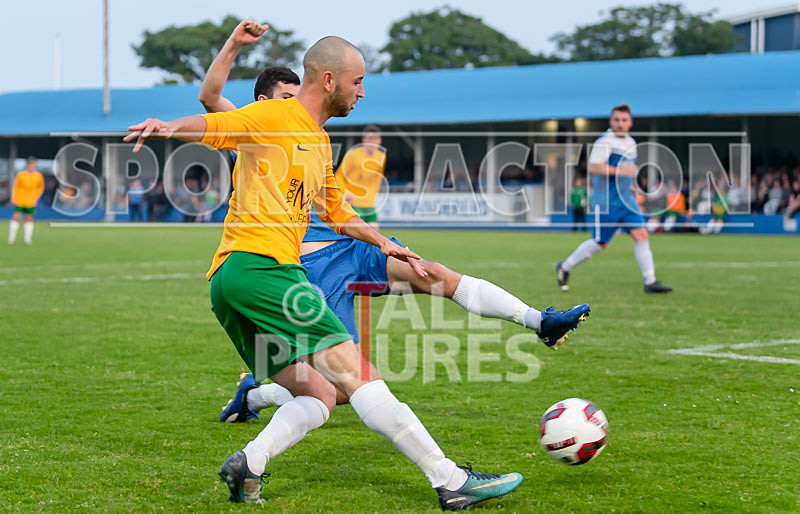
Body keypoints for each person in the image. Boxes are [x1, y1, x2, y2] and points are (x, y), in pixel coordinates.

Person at [126, 35, 539, 510]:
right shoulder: (274, 115)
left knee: (321, 394)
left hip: (231, 283)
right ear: (329, 79)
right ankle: (449, 480)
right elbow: (212, 122)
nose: (361, 92)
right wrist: (167, 126)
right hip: (264, 270)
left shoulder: (319, 142)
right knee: (358, 375)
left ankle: (250, 463)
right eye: (357, 81)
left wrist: (384, 242)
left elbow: (337, 212)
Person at [200, 20, 591, 417]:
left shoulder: (312, 134)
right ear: (263, 104)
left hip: (348, 248)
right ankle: (253, 397)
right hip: (307, 269)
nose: (295, 102)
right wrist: (234, 43)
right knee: (343, 391)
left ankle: (540, 321)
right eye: (285, 96)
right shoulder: (251, 133)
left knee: (431, 272)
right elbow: (211, 97)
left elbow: (335, 203)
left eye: (298, 93)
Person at [556, 104, 672, 294]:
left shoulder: (631, 143)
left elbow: (627, 172)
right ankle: (565, 267)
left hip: (626, 199)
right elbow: (594, 167)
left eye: (624, 120)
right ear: (611, 121)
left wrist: (634, 187)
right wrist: (622, 171)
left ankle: (650, 282)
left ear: (630, 122)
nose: (620, 124)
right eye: (616, 120)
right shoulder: (605, 141)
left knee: (641, 235)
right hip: (606, 201)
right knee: (600, 243)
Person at [337, 125, 385, 229]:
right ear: (364, 139)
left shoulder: (381, 157)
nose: (373, 142)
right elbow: (339, 176)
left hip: (369, 203)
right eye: (370, 139)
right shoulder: (352, 155)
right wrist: (345, 192)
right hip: (353, 202)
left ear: (380, 141)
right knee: (360, 232)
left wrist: (374, 193)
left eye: (376, 138)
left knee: (375, 232)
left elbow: (378, 177)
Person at [8, 157, 44, 245]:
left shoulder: (39, 176)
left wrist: (36, 198)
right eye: (30, 164)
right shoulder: (21, 175)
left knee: (29, 218)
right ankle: (11, 238)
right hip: (20, 200)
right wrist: (13, 197)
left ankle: (27, 239)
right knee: (16, 217)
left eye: (33, 164)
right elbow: (16, 187)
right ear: (27, 165)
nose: (32, 166)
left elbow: (40, 188)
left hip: (31, 201)